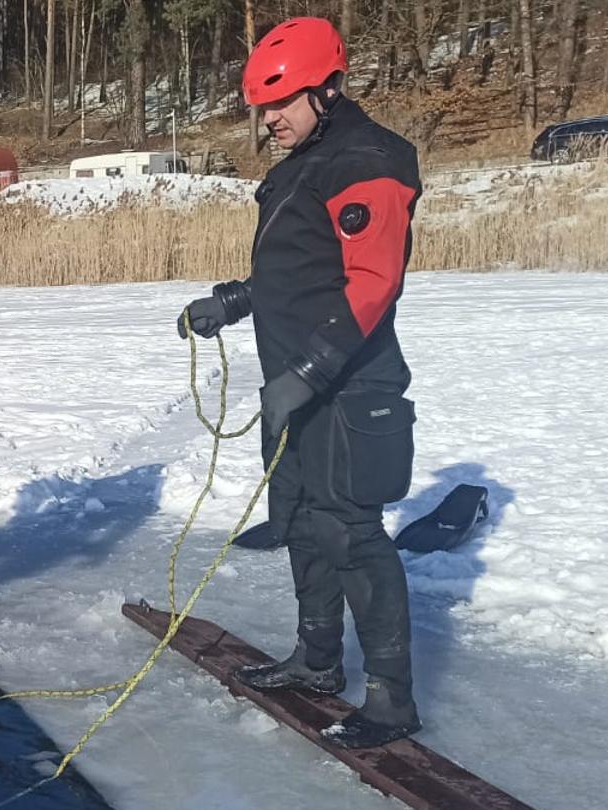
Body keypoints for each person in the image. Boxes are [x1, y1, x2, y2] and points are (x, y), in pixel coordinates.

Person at [179, 17, 424, 748]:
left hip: (349, 389)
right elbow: (297, 271)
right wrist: (234, 301)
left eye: (281, 106)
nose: (269, 122)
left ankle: (391, 700)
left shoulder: (367, 160)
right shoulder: (301, 165)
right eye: (264, 109)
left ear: (327, 89)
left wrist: (308, 374)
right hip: (297, 386)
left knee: (353, 535)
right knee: (304, 527)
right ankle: (318, 663)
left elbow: (373, 281)